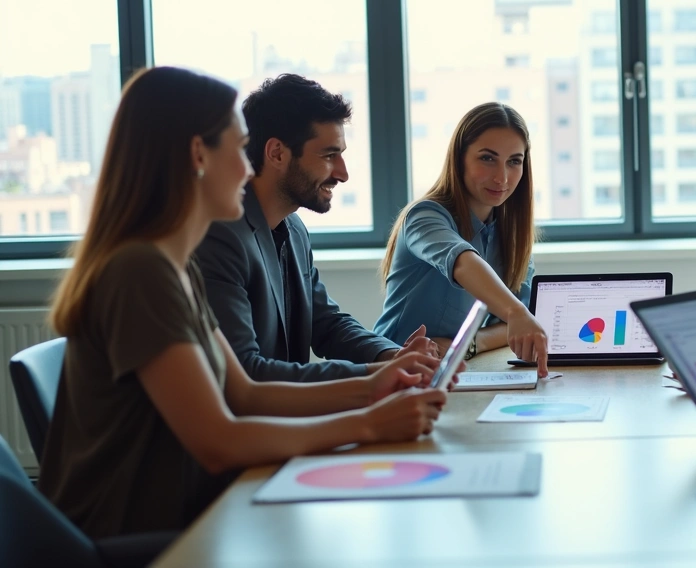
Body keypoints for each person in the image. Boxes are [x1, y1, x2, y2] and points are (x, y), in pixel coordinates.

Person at [39, 67, 449, 538]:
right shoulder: (141, 272)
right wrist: (370, 423)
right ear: (198, 155)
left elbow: (245, 394)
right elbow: (219, 439)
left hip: (187, 512)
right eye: (237, 148)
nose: (246, 165)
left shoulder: (174, 267)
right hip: (139, 535)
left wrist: (380, 382)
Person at [194, 73, 437, 382]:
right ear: (277, 153)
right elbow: (245, 371)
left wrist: (391, 356)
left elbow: (325, 323)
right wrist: (375, 376)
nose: (343, 173)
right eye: (329, 155)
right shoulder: (221, 236)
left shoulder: (293, 229)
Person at [375, 102, 548, 376]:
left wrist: (468, 344)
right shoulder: (424, 217)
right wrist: (516, 313)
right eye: (487, 158)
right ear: (459, 159)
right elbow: (463, 263)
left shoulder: (512, 237)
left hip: (456, 372)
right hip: (394, 372)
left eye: (514, 161)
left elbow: (521, 322)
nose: (502, 177)